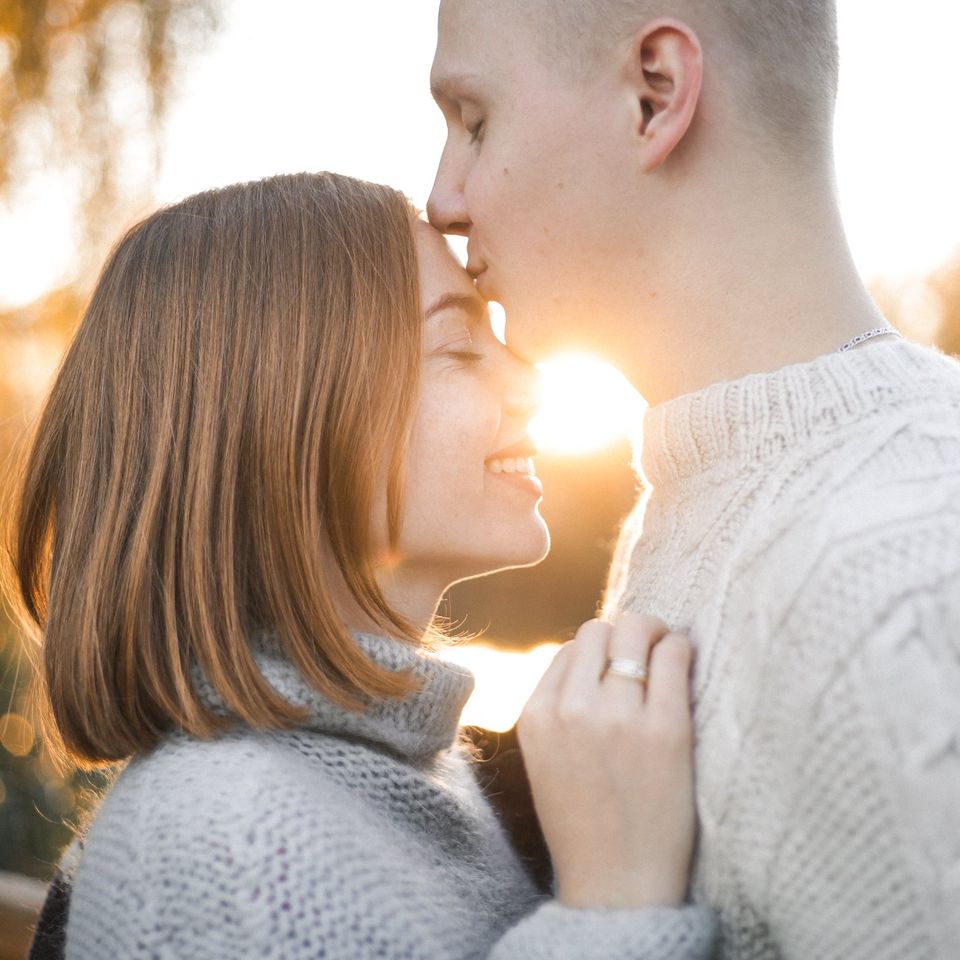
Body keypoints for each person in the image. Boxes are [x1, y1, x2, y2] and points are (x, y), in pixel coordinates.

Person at [5, 172, 716, 959]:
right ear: (285, 417)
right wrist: (613, 911)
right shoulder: (231, 851)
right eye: (459, 346)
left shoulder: (411, 778)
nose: (529, 382)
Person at [427, 1, 960, 957]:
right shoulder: (713, 494)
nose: (444, 199)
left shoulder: (900, 593)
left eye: (474, 121)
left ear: (655, 94)